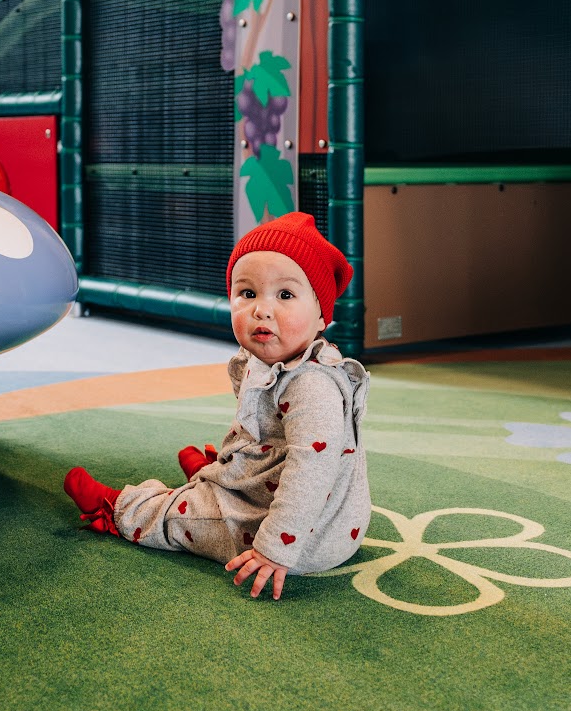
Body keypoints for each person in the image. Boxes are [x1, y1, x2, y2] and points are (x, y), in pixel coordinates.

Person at [63, 212, 371, 600]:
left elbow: (312, 472)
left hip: (305, 539)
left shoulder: (312, 385)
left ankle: (120, 510)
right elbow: (258, 431)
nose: (261, 310)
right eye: (248, 293)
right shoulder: (270, 359)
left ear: (322, 314)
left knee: (182, 516)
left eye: (285, 295)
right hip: (315, 515)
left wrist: (274, 548)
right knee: (240, 458)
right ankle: (224, 477)